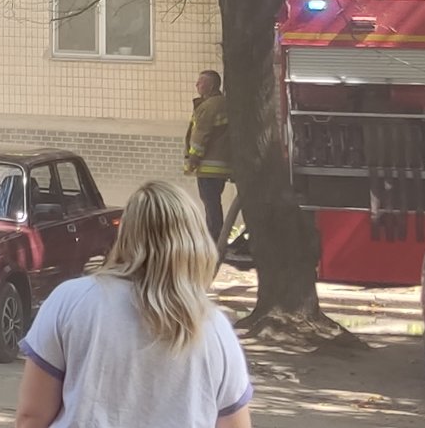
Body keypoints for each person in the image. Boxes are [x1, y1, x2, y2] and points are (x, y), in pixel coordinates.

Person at [13, 180, 253, 428]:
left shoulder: (70, 301)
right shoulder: (215, 329)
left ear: (127, 235)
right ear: (195, 243)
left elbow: (32, 417)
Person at [184, 70, 232, 248]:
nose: (197, 85)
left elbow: (200, 135)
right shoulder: (223, 103)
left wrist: (193, 158)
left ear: (211, 86)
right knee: (213, 202)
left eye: (201, 82)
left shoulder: (209, 106)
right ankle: (217, 236)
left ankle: (214, 238)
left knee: (210, 203)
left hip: (208, 166)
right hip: (221, 164)